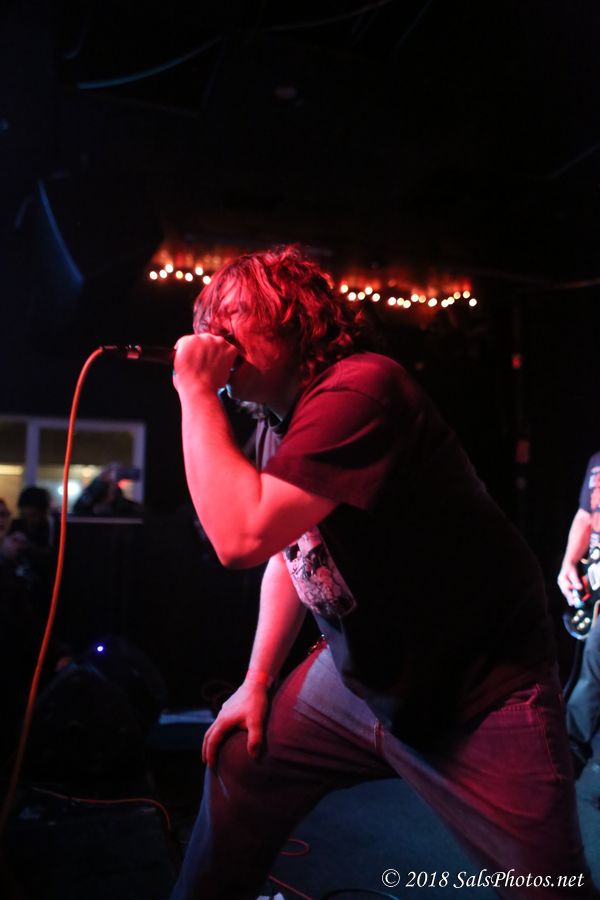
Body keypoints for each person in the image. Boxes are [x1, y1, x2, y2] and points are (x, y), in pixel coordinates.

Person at [170, 246, 598, 899]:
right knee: (242, 758)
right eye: (206, 320)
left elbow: (242, 537)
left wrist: (194, 390)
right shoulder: (273, 426)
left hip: (479, 690)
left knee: (548, 888)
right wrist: (256, 681)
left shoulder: (361, 390)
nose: (212, 334)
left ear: (292, 317)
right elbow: (288, 551)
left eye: (231, 314)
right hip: (361, 683)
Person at [557, 451, 600, 777]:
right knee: (589, 667)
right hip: (595, 579)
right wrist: (569, 562)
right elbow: (586, 515)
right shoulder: (597, 461)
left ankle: (569, 753)